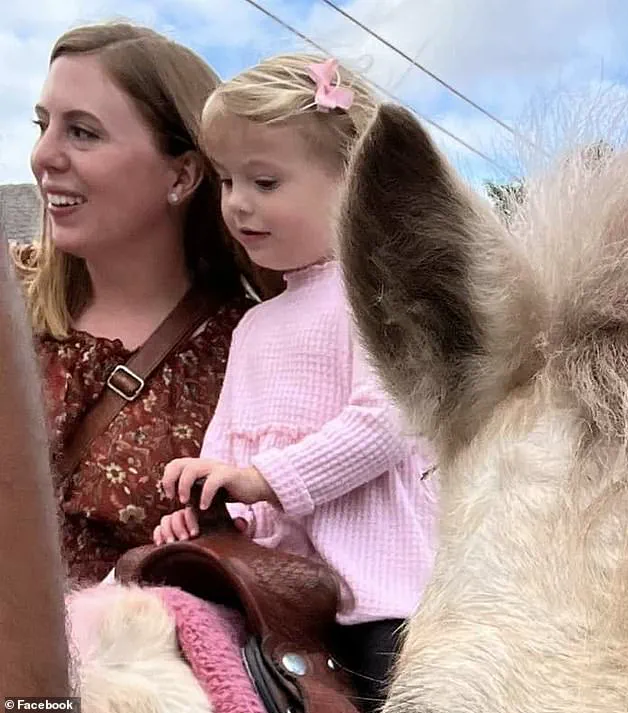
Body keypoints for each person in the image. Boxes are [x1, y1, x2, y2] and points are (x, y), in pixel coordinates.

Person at [154, 53, 438, 712]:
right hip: (277, 593)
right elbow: (227, 456)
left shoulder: (377, 294)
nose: (238, 203)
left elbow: (386, 421)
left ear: (353, 183)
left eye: (265, 180)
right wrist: (205, 503)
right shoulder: (254, 327)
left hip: (381, 593)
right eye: (227, 181)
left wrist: (266, 479)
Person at [12, 21, 282, 585]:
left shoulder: (254, 350)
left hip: (134, 662)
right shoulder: (10, 309)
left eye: (82, 133)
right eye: (43, 125)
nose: (44, 155)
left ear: (182, 175)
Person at [0, 235, 69, 697]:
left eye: (92, 153)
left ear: (183, 177)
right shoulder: (25, 301)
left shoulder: (240, 333)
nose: (46, 157)